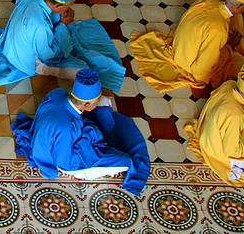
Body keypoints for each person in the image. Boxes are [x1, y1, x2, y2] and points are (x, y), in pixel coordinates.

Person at [11, 68, 151, 195]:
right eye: (96, 100)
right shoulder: (66, 129)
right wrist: (87, 143)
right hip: (65, 159)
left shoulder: (58, 93)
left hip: (59, 130)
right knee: (125, 161)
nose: (98, 102)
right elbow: (65, 162)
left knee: (103, 107)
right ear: (87, 104)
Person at [130, 0, 244, 92]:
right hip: (187, 64)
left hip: (178, 46)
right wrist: (229, 46)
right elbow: (205, 63)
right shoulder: (218, 29)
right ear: (240, 6)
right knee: (240, 63)